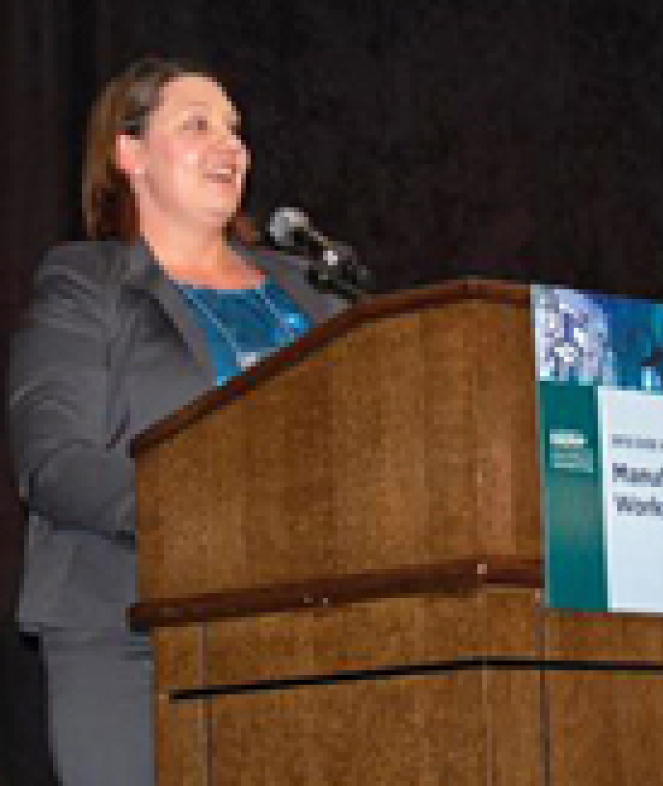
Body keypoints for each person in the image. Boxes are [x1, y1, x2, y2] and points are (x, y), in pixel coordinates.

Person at [6, 57, 346, 785]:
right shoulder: (85, 284)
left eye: (235, 130)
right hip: (132, 630)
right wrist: (205, 513)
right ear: (130, 154)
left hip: (308, 627)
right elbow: (55, 463)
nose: (231, 146)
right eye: (197, 125)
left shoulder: (312, 292)